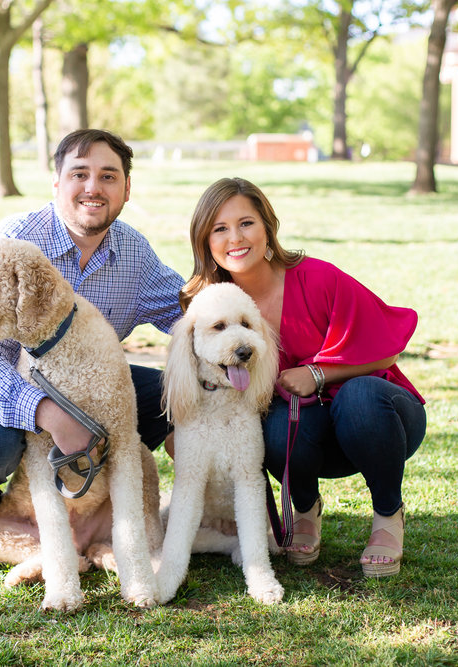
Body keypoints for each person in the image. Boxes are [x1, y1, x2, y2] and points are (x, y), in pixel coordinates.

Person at [0, 129, 184, 571]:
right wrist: (52, 416)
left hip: (62, 383)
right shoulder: (18, 239)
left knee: (173, 398)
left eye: (108, 176)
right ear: (57, 183)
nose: (93, 188)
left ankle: (89, 510)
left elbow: (186, 314)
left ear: (126, 190)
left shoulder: (132, 250)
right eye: (80, 174)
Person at [179, 177, 426, 577]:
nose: (235, 238)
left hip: (380, 423)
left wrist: (318, 373)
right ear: (205, 241)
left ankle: (387, 514)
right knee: (273, 422)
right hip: (302, 437)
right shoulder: (215, 305)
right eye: (219, 229)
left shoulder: (319, 278)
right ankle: (305, 507)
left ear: (267, 227)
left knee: (359, 396)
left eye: (246, 223)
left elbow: (388, 345)